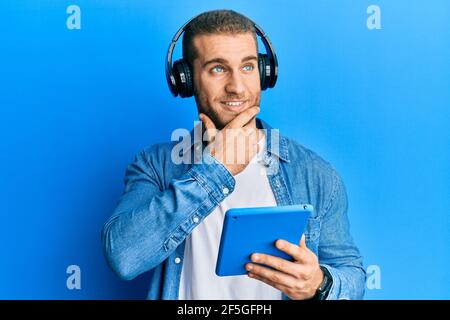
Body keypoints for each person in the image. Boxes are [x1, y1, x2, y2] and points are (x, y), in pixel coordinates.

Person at [101, 9, 365, 300]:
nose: (237, 87)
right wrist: (215, 171)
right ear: (186, 79)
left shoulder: (313, 174)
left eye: (248, 67)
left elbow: (351, 275)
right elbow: (124, 258)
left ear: (265, 72)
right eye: (218, 68)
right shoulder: (157, 165)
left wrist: (320, 283)